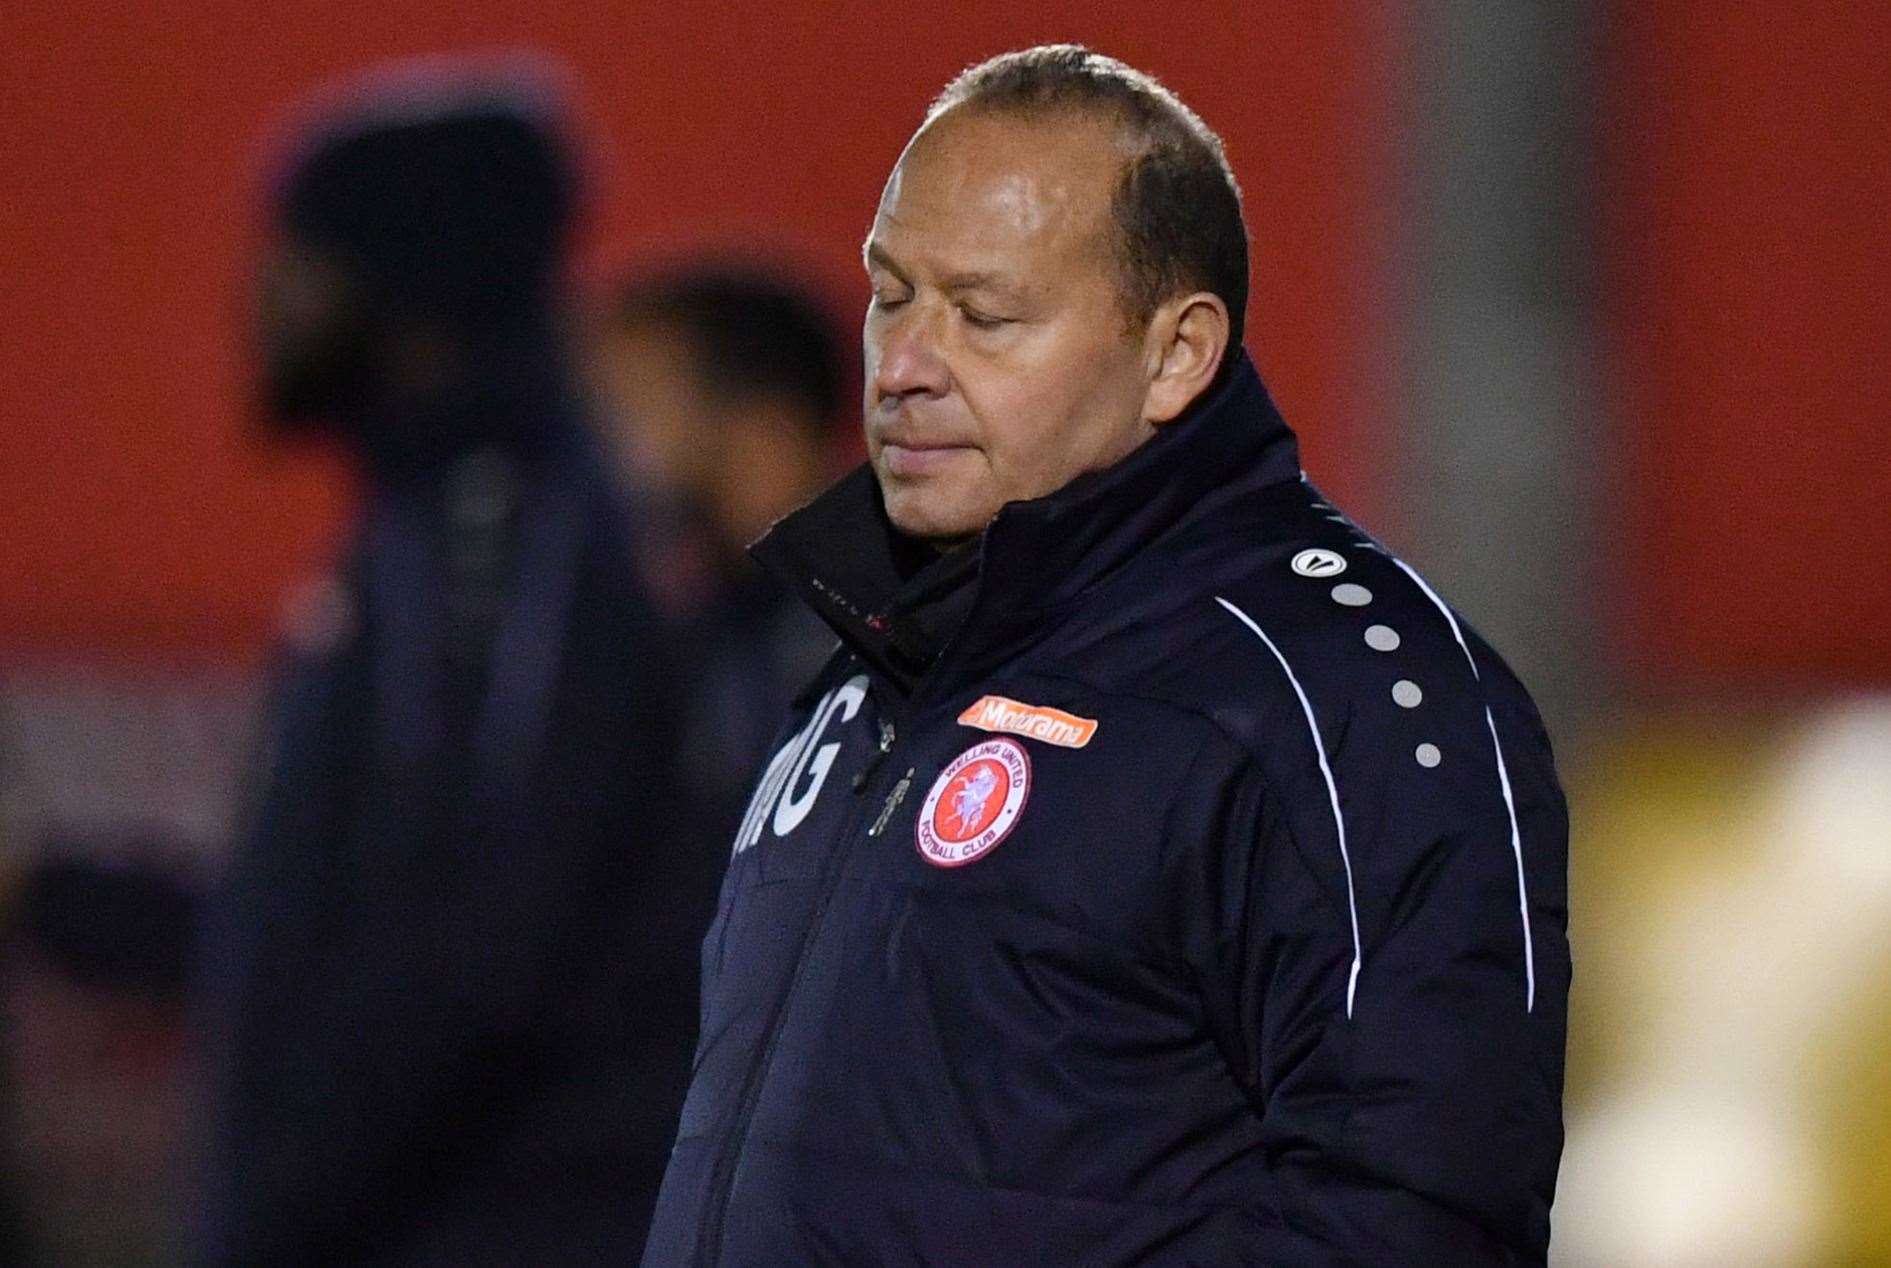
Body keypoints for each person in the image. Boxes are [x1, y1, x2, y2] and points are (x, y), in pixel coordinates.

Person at [642, 45, 1570, 1266]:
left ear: (1175, 352)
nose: (905, 366)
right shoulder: (873, 660)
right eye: (890, 295)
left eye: (983, 315)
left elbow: (1414, 1215)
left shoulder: (1344, 693)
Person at [194, 61, 716, 1264]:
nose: (262, 293)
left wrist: (277, 1215)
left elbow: (473, 953)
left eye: (302, 251)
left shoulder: (506, 542)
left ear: (410, 281)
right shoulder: (431, 530)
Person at [589, 268, 845, 839]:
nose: (598, 438)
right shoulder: (699, 635)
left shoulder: (886, 636)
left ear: (763, 419)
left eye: (633, 399)